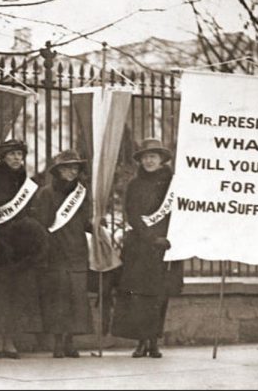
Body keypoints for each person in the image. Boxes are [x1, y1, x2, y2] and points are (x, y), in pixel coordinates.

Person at [111, 138, 184, 358]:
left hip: (165, 248)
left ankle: (154, 341)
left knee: (159, 297)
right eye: (145, 157)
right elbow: (132, 214)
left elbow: (180, 213)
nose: (149, 160)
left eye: (153, 156)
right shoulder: (134, 184)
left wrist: (169, 238)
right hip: (140, 247)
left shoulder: (174, 184)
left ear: (162, 159)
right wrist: (151, 237)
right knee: (139, 297)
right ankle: (141, 342)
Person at [0, 139, 46, 359]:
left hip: (21, 244)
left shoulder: (28, 181)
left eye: (19, 154)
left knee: (17, 294)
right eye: (12, 154)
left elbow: (32, 210)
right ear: (2, 157)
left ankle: (10, 340)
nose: (17, 158)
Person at [32, 149, 94, 358]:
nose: (71, 171)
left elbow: (86, 221)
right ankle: (57, 342)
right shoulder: (46, 193)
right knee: (57, 300)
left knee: (76, 299)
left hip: (77, 250)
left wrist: (97, 227)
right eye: (67, 167)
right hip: (55, 251)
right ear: (58, 170)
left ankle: (70, 341)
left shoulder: (82, 193)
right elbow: (41, 223)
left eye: (75, 168)